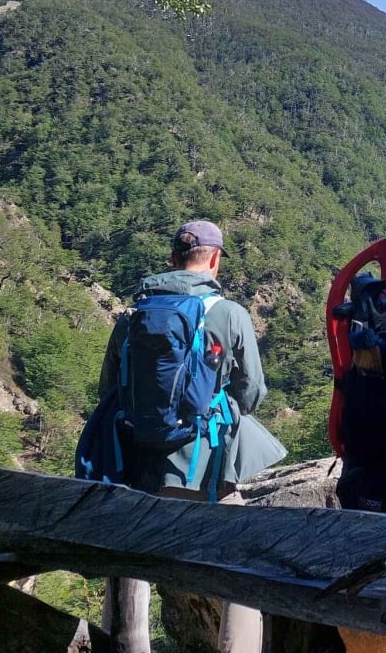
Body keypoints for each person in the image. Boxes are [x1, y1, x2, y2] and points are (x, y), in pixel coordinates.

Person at [98, 220, 286, 653]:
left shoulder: (132, 316)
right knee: (243, 567)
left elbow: (109, 391)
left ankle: (118, 643)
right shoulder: (228, 313)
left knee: (129, 565)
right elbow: (253, 391)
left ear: (172, 259)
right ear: (215, 259)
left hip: (139, 469)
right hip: (207, 468)